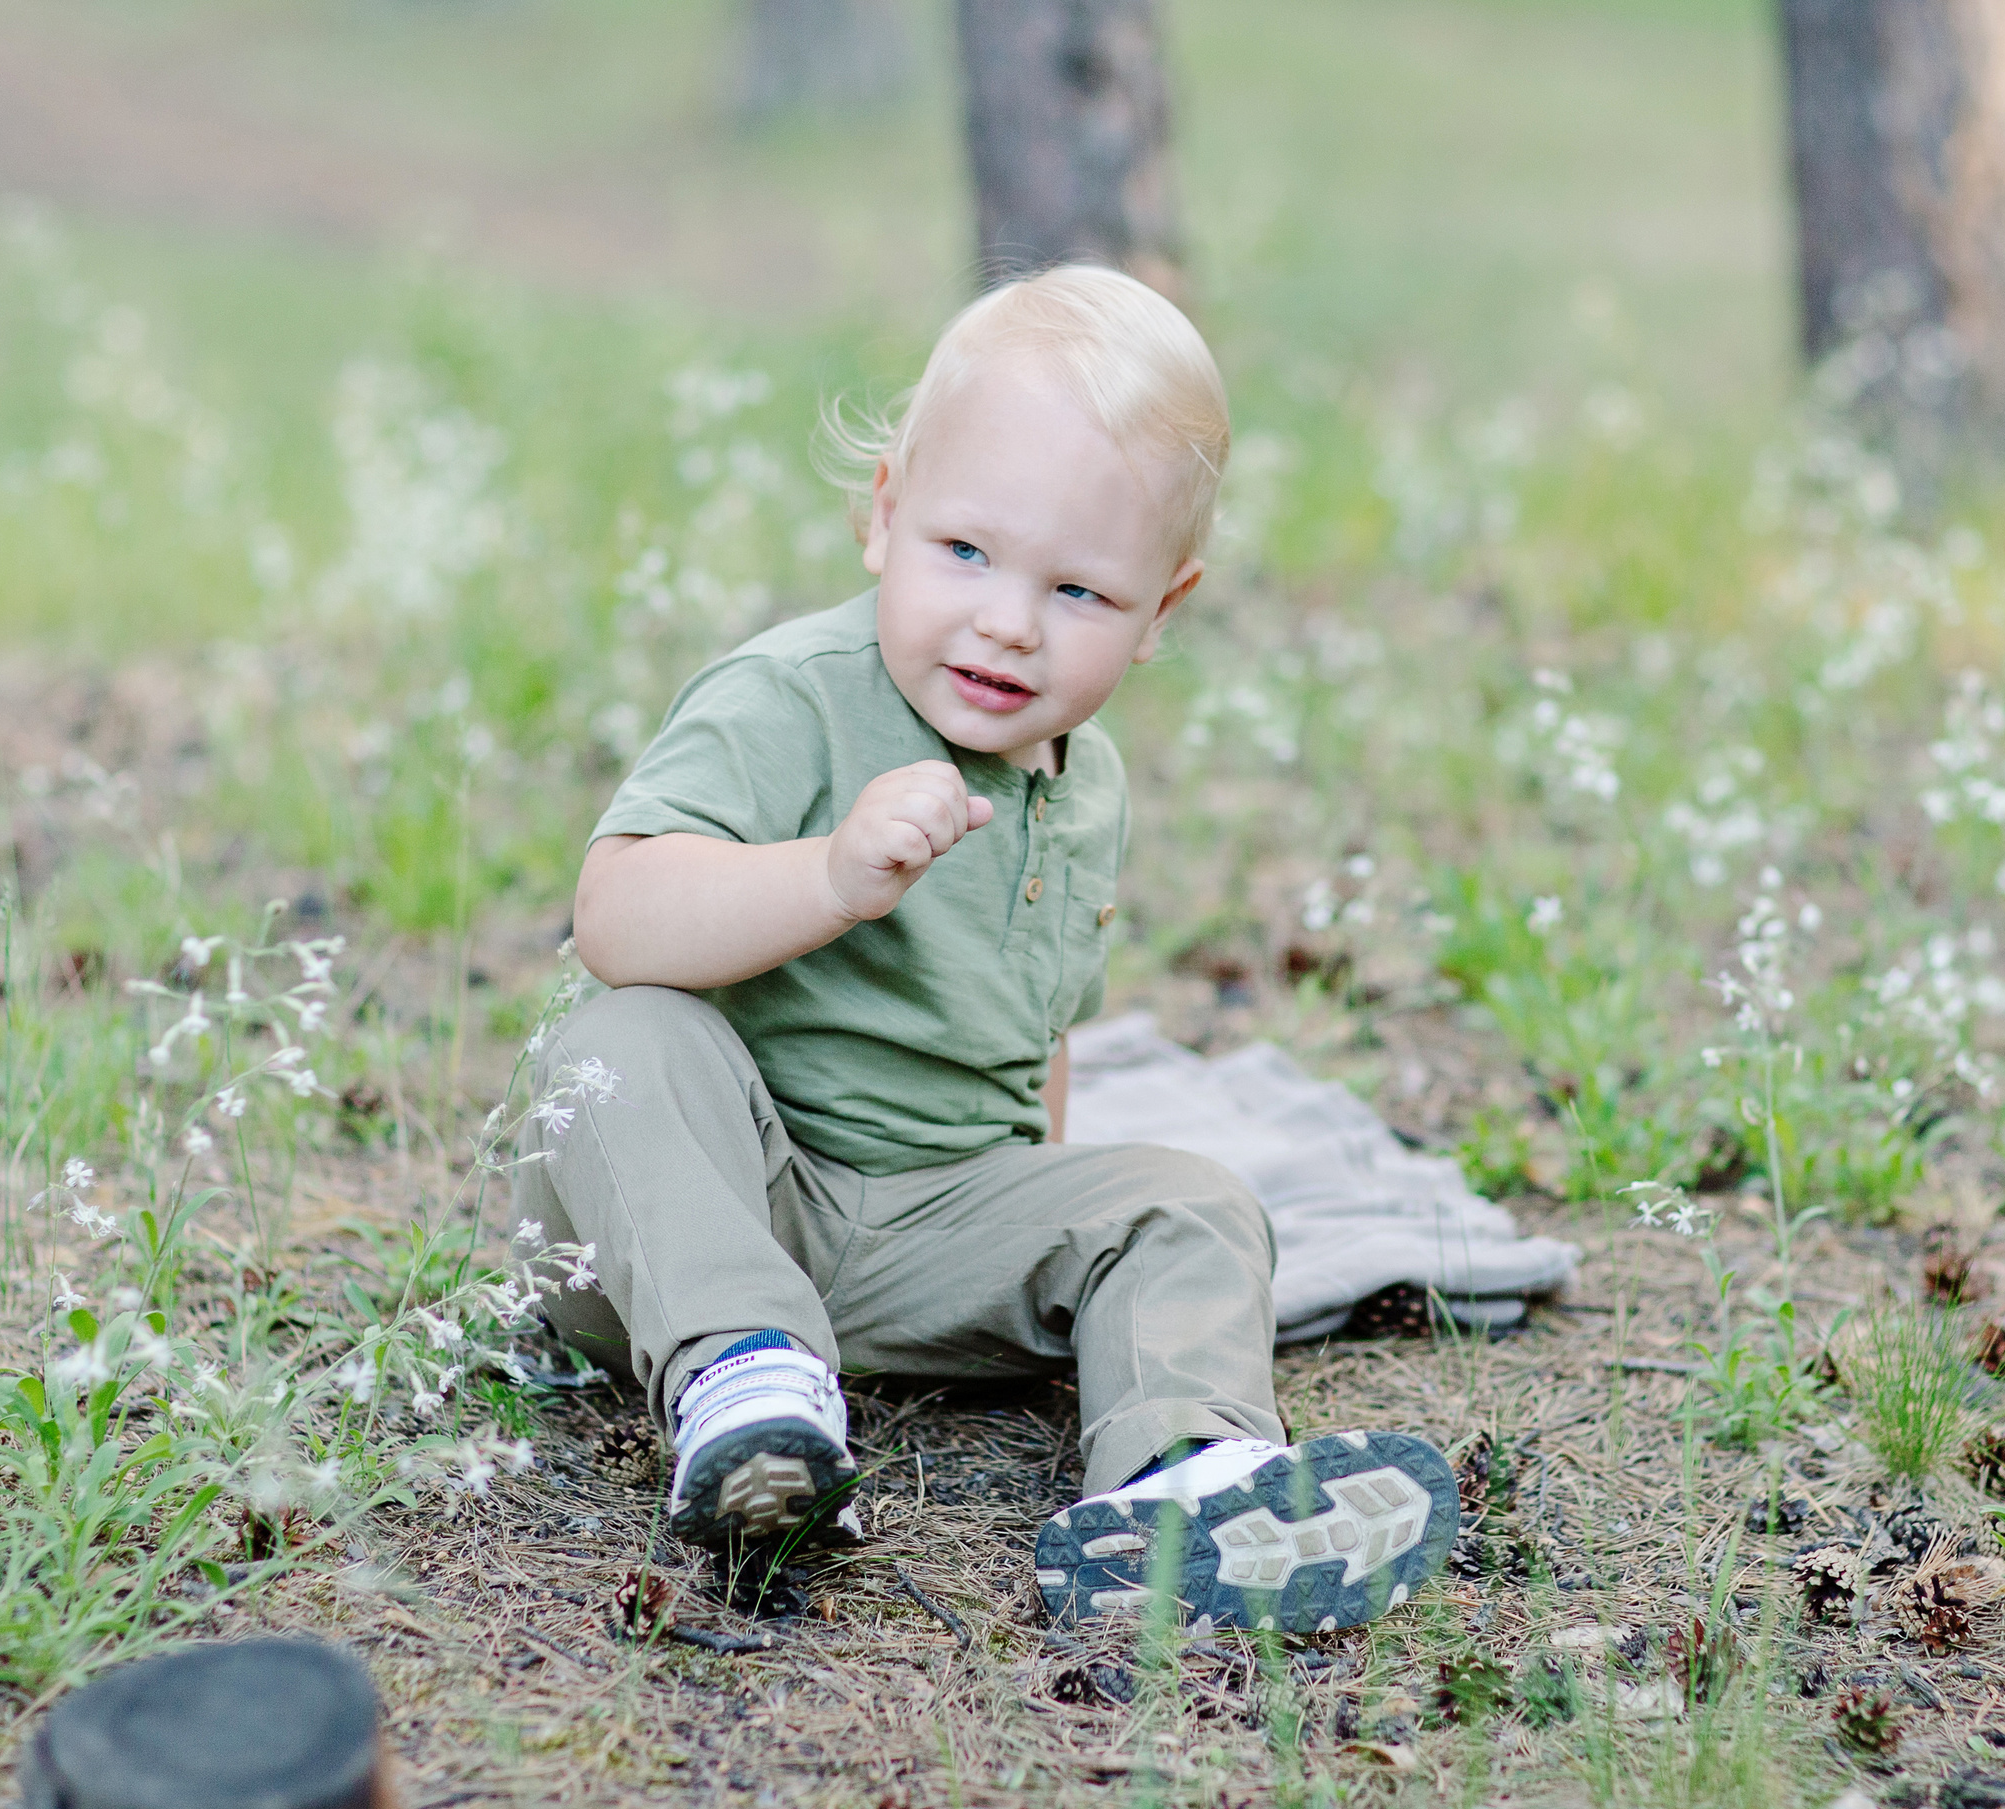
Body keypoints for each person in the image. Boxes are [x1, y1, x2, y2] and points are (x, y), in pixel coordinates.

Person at [518, 264, 1457, 1632]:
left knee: (1195, 1199)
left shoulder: (1089, 788)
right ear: (883, 517)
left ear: (1160, 614)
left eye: (1078, 588)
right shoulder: (790, 700)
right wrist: (831, 874)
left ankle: (1182, 1485)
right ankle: (747, 1382)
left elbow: (1042, 1032)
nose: (1010, 621)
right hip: (699, 1204)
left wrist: (1046, 1213)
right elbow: (617, 915)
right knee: (619, 1038)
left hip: (918, 1225)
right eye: (966, 552)